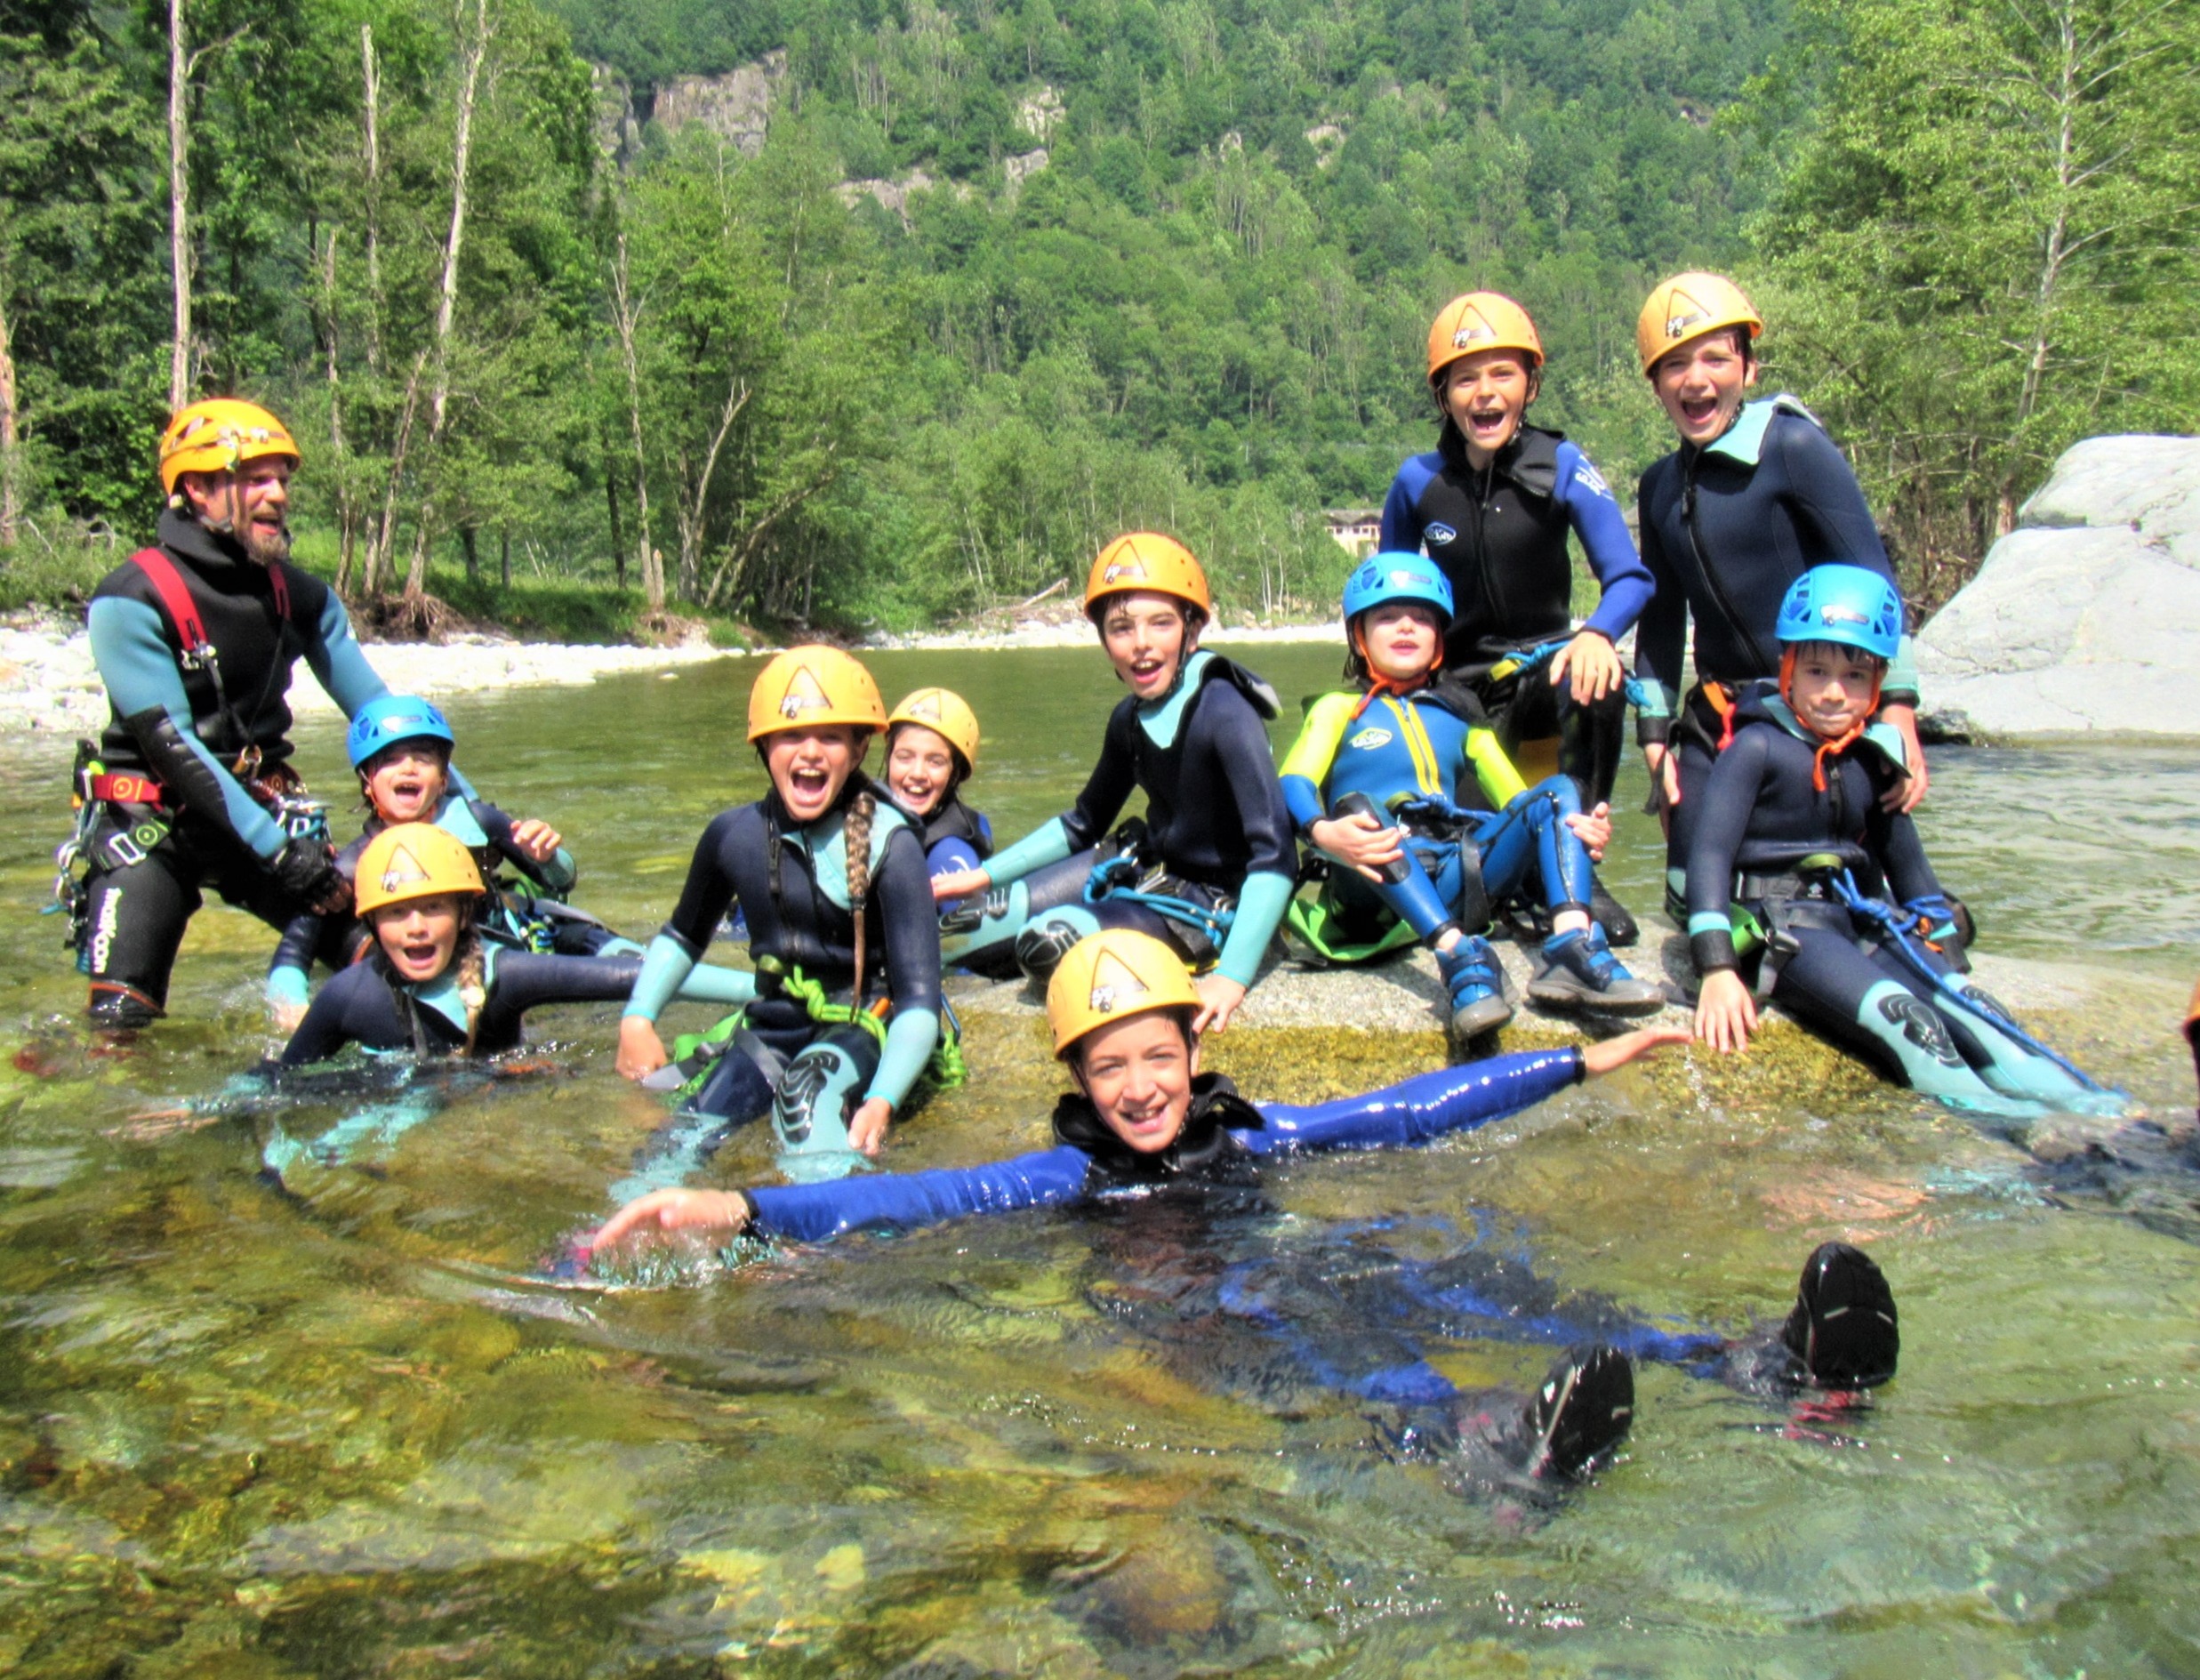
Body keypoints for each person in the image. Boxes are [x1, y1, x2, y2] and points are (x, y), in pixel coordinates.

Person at [588, 929, 1902, 1482]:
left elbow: (1403, 1109)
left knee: (1442, 1256)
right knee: (1291, 1294)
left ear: (1195, 1057)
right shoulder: (1064, 1177)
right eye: (1111, 1068)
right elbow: (915, 1204)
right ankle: (1472, 1446)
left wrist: (1576, 1059)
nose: (1142, 1085)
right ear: (1078, 1084)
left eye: (1158, 1056)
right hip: (1189, 1317)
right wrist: (745, 1211)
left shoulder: (1252, 1131)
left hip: (1291, 1265)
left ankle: (1738, 1361)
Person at [1687, 567, 2111, 1113]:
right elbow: (1709, 857)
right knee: (1913, 1028)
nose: (1834, 693)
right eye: (1816, 671)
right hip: (1785, 929)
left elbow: (1908, 867)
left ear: (1879, 683)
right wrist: (1717, 967)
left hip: (1861, 920)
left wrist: (1943, 949)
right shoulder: (1756, 749)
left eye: (1856, 677)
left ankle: (2101, 1113)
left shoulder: (1873, 757)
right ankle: (2012, 1145)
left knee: (1977, 1011)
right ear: (1787, 668)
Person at [67, 398, 427, 1028]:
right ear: (198, 489)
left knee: (399, 967)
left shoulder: (304, 596)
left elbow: (387, 720)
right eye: (256, 477)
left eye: (284, 478)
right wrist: (283, 853)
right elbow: (171, 743)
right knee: (118, 1028)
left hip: (263, 818)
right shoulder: (130, 599)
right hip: (154, 826)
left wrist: (473, 818)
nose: (278, 494)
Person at [1629, 273, 1931, 917]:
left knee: (1843, 896)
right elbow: (1658, 623)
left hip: (1817, 706)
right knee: (1692, 901)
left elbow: (1872, 575)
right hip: (1719, 717)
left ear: (1750, 365)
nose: (1697, 380)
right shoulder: (1658, 486)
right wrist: (1654, 738)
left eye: (1717, 358)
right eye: (1675, 364)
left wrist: (1898, 710)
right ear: (1655, 383)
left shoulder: (1792, 447)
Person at [1278, 553, 1664, 1044]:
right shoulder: (1338, 710)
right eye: (1387, 617)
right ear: (1360, 635)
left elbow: (1521, 803)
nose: (1405, 627)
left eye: (1421, 618)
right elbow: (1293, 782)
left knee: (1560, 793)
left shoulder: (1460, 718)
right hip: (1371, 879)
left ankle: (1570, 943)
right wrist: (1323, 831)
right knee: (1357, 807)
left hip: (1456, 873)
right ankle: (1458, 953)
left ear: (1439, 637)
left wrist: (1573, 826)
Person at [928, 533, 1296, 1034]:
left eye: (1161, 623)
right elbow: (1083, 824)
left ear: (1192, 630)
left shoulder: (1226, 712)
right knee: (958, 929)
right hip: (1142, 863)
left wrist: (1232, 978)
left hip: (1210, 900)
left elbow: (1276, 857)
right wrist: (984, 876)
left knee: (1047, 944)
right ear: (1104, 641)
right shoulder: (1128, 718)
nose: (1141, 644)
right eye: (1121, 628)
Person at [1381, 292, 1653, 938]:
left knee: (1600, 672)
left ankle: (1580, 866)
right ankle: (1512, 876)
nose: (1484, 392)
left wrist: (1595, 634)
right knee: (1473, 868)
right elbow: (1383, 600)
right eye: (1465, 377)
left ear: (1530, 384)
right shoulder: (1417, 482)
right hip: (1456, 695)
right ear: (1442, 394)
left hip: (1542, 679)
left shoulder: (1561, 465)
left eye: (1502, 373)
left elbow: (1630, 578)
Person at [612, 646, 944, 1167]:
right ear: (765, 745)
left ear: (858, 750)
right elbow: (683, 936)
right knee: (687, 1130)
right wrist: (638, 1019)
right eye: (791, 735)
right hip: (775, 1024)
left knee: (803, 1102)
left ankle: (823, 1239)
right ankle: (605, 1239)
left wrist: (882, 1101)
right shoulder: (733, 837)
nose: (810, 752)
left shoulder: (892, 846)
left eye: (831, 737)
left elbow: (921, 1002)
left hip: (870, 1023)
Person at [263, 695, 689, 1031]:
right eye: (390, 760)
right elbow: (295, 948)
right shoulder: (355, 865)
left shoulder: (477, 820)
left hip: (525, 941)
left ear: (443, 778)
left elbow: (561, 879)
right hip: (462, 968)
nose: (408, 767)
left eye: (424, 758)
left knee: (639, 972)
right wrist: (294, 1004)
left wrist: (550, 857)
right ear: (367, 780)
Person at [279, 824, 734, 1065]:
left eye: (433, 908)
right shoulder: (346, 997)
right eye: (396, 913)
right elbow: (282, 1081)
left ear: (464, 915)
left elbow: (633, 977)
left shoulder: (505, 974)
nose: (415, 927)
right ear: (372, 923)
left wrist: (766, 990)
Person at [880, 687, 993, 882]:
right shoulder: (865, 813)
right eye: (904, 757)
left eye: (935, 762)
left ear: (955, 773)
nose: (917, 773)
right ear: (889, 759)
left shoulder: (949, 852)